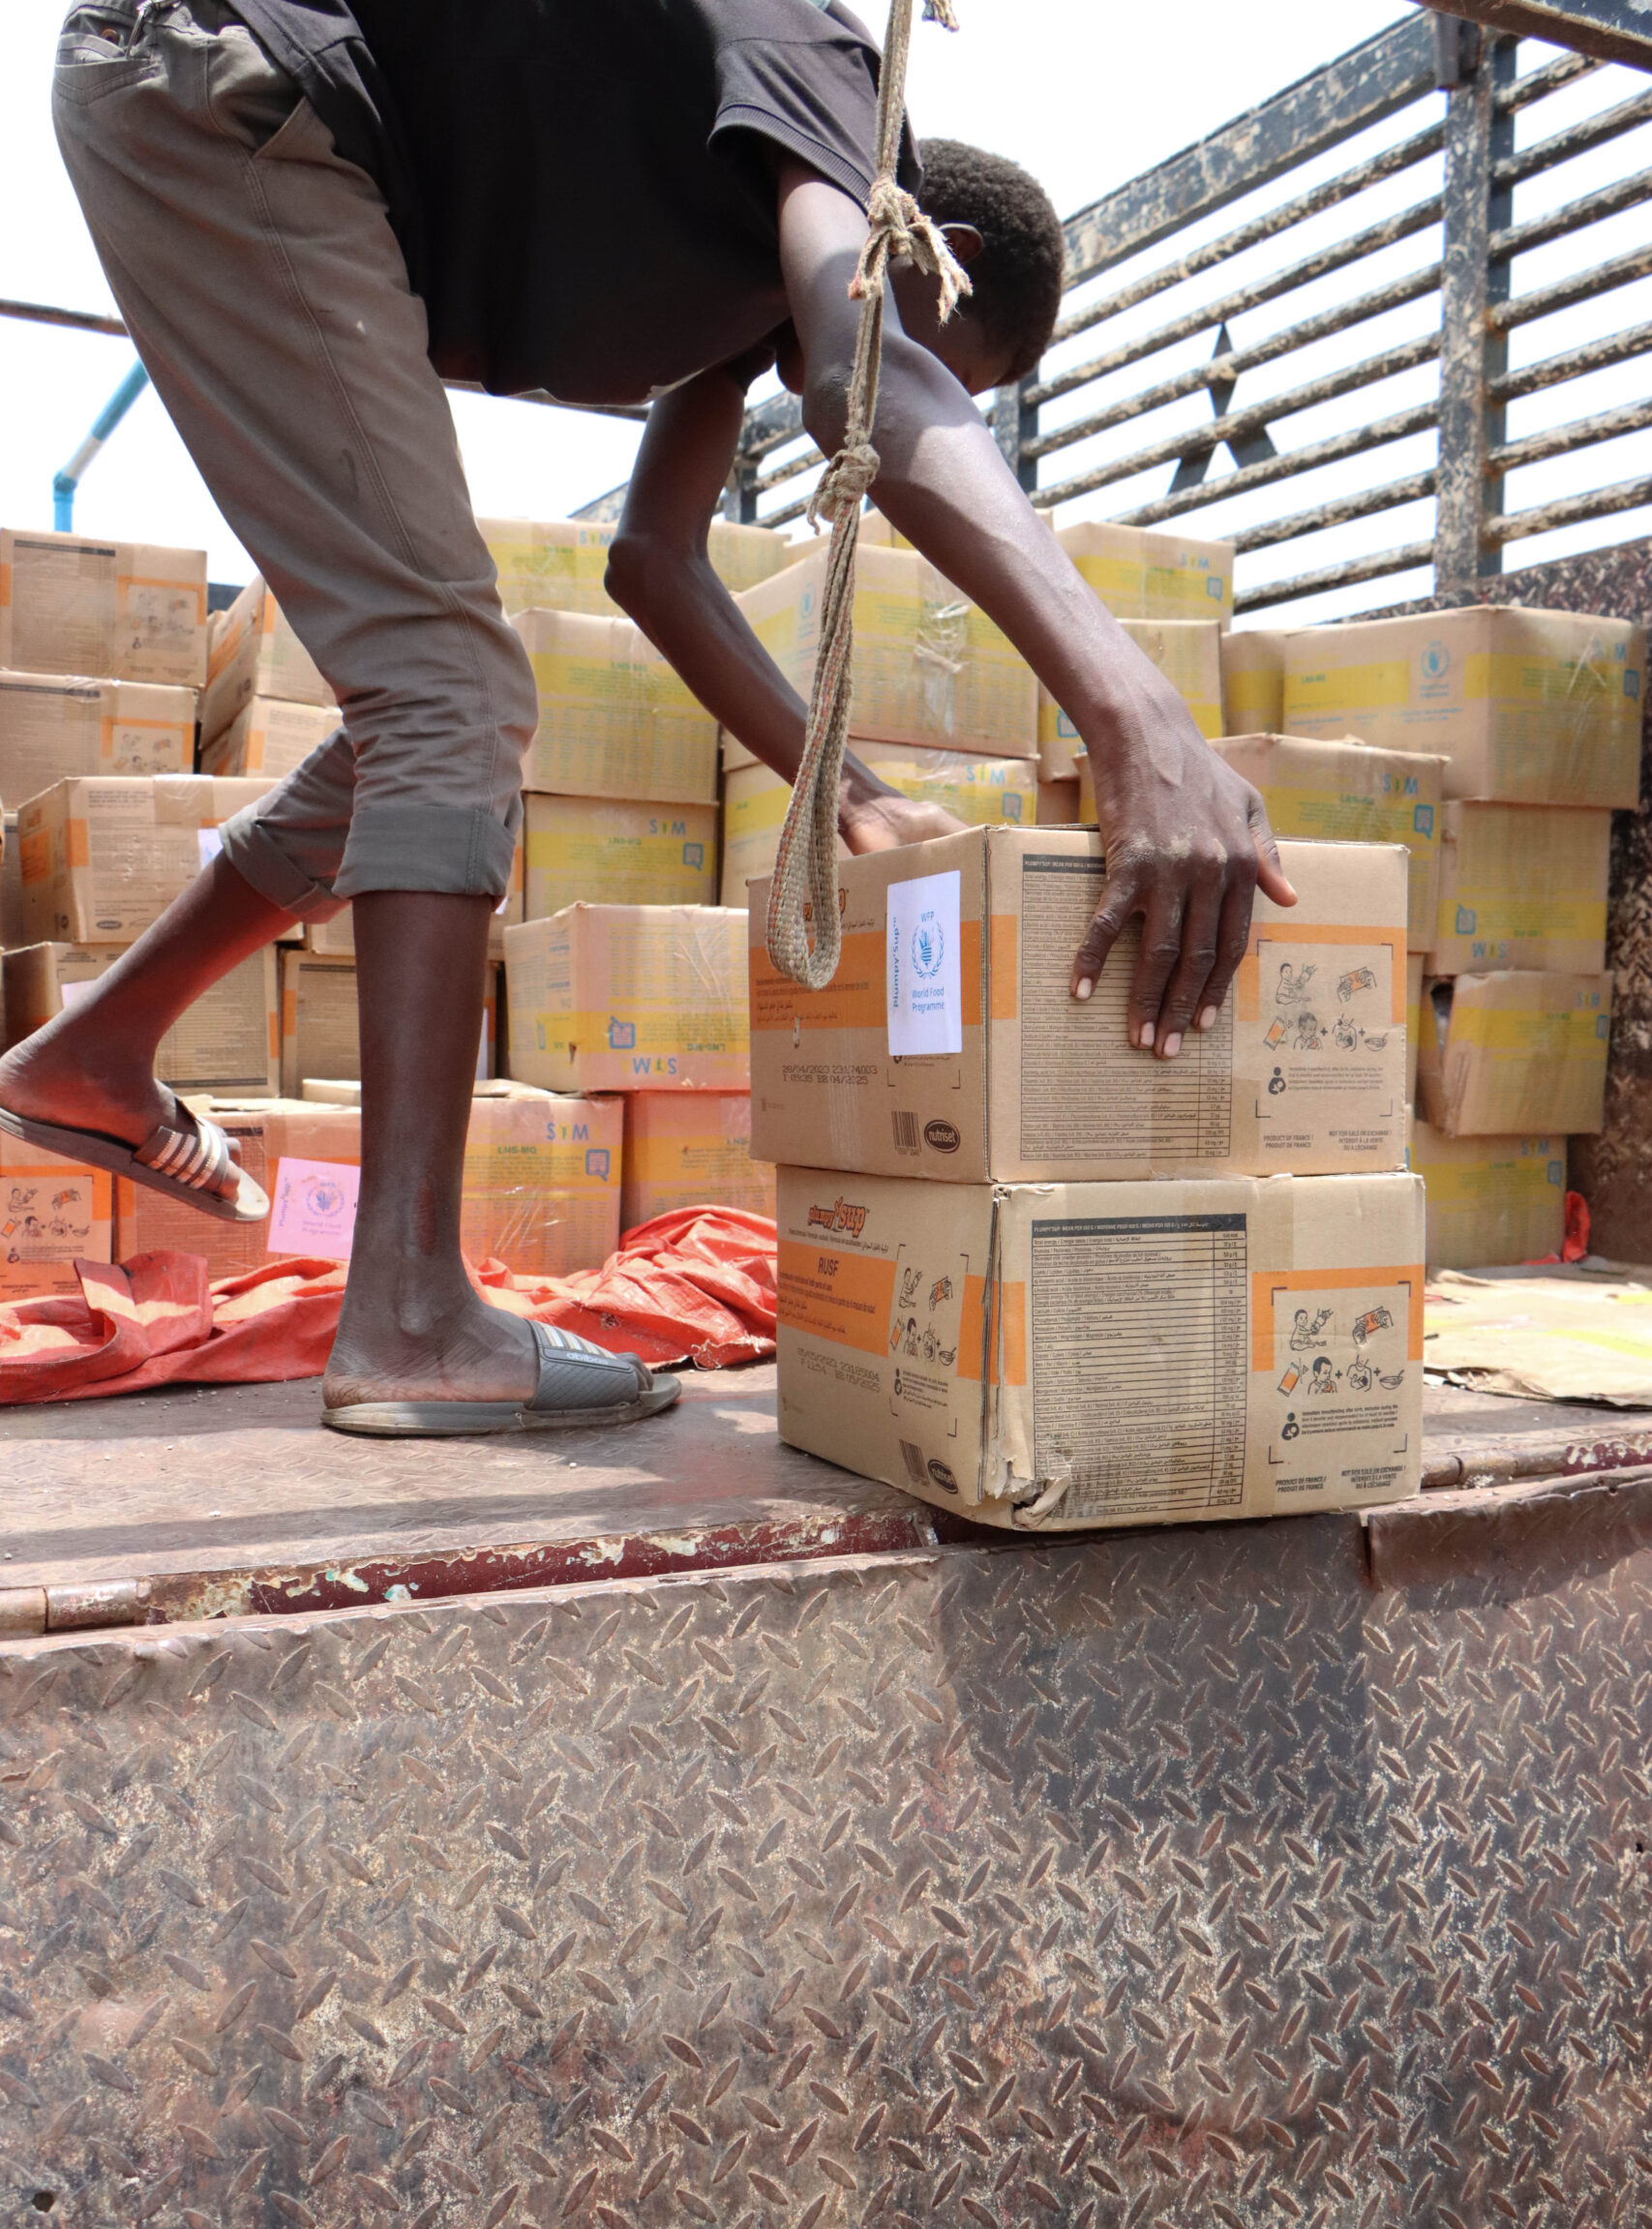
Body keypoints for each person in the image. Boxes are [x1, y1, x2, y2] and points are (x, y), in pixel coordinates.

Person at [0, 0, 1294, 1437]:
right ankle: (413, 1316)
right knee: (447, 688)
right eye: (963, 376)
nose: (915, 417)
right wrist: (1143, 722)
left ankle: (97, 1054)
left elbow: (654, 557)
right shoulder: (832, 89)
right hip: (224, 78)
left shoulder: (741, 242)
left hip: (227, 102)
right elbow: (879, 376)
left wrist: (844, 791)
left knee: (429, 708)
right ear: (943, 253)